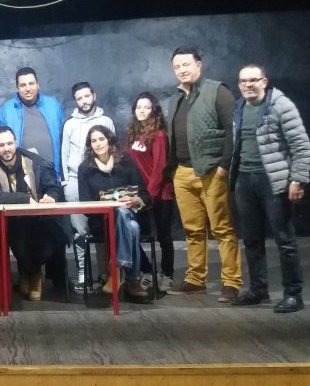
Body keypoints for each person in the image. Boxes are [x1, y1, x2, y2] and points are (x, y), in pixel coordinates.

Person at [230, 64, 308, 313]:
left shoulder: (280, 105)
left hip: (273, 180)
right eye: (243, 81)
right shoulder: (239, 107)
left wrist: (297, 179)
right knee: (251, 239)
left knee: (284, 240)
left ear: (264, 81)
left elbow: (301, 144)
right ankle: (258, 289)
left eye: (253, 80)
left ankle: (293, 294)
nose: (248, 85)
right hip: (244, 179)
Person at [166, 47, 242, 302]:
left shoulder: (217, 91)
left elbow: (232, 130)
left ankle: (231, 282)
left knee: (222, 228)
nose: (182, 70)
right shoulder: (175, 99)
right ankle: (196, 279)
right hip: (182, 172)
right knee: (193, 229)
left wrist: (224, 166)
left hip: (211, 171)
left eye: (186, 64)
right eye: (177, 67)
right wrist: (173, 171)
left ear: (199, 64)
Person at [0, 126, 67, 301]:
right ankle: (32, 275)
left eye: (9, 143)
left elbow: (53, 186)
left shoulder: (34, 160)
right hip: (7, 222)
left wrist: (51, 196)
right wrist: (26, 199)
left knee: (54, 238)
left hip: (39, 219)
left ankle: (32, 274)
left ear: (16, 143)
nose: (6, 148)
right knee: (19, 240)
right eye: (1, 145)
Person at [77, 125, 149, 298]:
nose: (98, 144)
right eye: (94, 141)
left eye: (101, 139)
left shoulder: (126, 162)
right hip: (101, 223)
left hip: (129, 215)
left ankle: (115, 272)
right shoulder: (85, 169)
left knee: (125, 216)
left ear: (109, 140)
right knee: (132, 228)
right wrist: (106, 204)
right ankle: (132, 280)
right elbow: (85, 203)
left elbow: (145, 195)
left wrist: (135, 201)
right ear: (90, 145)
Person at [61, 81, 116, 292]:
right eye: (79, 98)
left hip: (101, 181)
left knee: (103, 230)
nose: (84, 101)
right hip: (75, 183)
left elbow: (113, 150)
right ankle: (83, 273)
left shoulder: (106, 121)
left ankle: (105, 273)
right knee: (80, 232)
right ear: (75, 101)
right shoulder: (69, 124)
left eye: (86, 96)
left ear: (94, 95)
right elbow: (63, 155)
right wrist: (66, 183)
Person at [126, 92, 175, 292]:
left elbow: (160, 167)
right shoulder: (133, 134)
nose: (142, 111)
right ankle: (147, 270)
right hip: (141, 196)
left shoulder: (159, 135)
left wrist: (149, 196)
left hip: (160, 195)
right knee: (133, 233)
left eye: (146, 107)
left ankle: (167, 275)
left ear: (154, 110)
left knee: (164, 236)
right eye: (139, 107)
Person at [0, 67, 64, 181]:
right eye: (23, 85)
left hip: (53, 173)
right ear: (17, 88)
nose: (28, 89)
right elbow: (1, 145)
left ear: (38, 84)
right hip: (22, 175)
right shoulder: (6, 111)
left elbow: (64, 139)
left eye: (31, 83)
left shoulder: (53, 105)